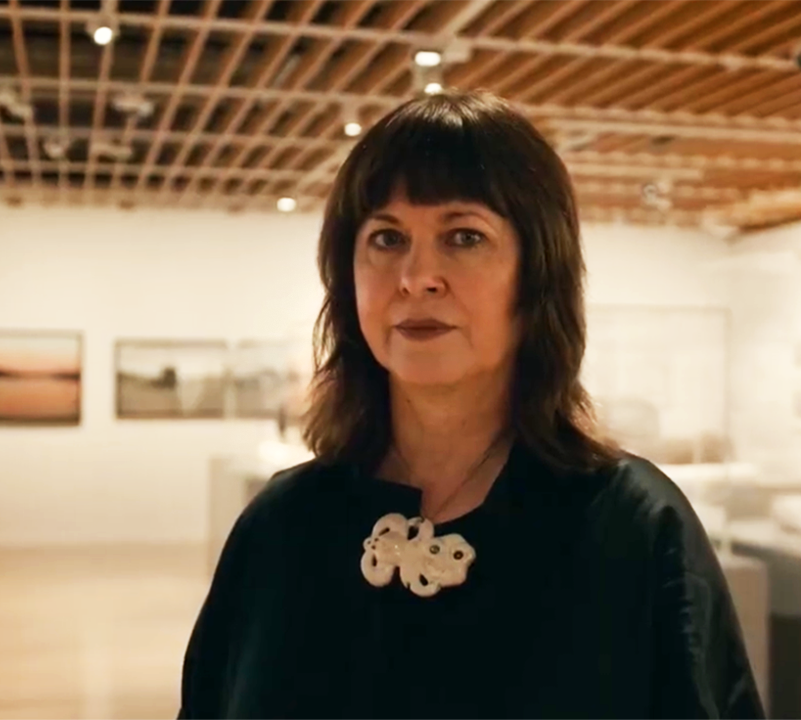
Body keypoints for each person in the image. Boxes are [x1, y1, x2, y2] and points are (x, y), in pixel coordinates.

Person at [177, 90, 764, 719]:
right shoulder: (279, 527)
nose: (416, 275)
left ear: (538, 275)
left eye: (463, 236)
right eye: (385, 237)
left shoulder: (634, 527)